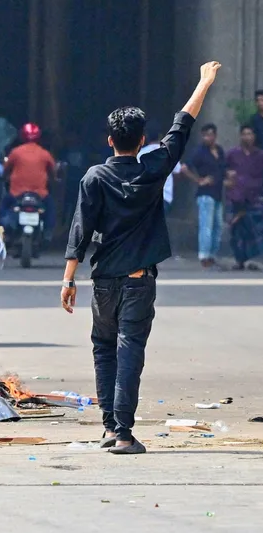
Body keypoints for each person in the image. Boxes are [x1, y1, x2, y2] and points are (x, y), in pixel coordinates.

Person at [62, 61, 220, 455]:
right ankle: (124, 433)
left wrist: (67, 280)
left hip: (103, 283)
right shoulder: (154, 167)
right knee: (129, 349)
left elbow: (80, 230)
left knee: (103, 348)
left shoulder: (94, 177)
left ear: (110, 140)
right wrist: (203, 82)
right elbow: (182, 126)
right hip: (138, 280)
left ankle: (110, 429)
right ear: (142, 139)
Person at [182, 124, 227, 268]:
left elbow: (223, 169)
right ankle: (204, 256)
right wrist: (198, 180)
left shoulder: (219, 150)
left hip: (218, 192)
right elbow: (184, 167)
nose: (208, 137)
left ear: (215, 135)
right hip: (205, 194)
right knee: (206, 226)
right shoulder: (199, 152)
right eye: (205, 135)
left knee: (217, 225)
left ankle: (212, 255)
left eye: (210, 134)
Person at [2, 123, 56, 239]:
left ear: (22, 136)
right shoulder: (44, 153)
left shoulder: (15, 152)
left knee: (3, 207)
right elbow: (53, 171)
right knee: (50, 207)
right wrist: (54, 179)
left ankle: (4, 231)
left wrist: (4, 177)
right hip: (39, 194)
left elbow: (6, 169)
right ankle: (47, 231)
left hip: (17, 192)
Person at [225, 125, 263, 270]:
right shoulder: (233, 154)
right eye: (245, 134)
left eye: (250, 134)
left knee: (255, 230)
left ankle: (254, 260)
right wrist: (227, 177)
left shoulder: (260, 155)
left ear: (254, 136)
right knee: (236, 231)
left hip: (255, 198)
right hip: (236, 197)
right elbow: (223, 169)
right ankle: (239, 260)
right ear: (240, 136)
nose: (247, 137)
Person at [137, 129, 182, 212]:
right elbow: (178, 173)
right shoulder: (169, 152)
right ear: (161, 137)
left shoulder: (141, 154)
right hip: (165, 197)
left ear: (146, 137)